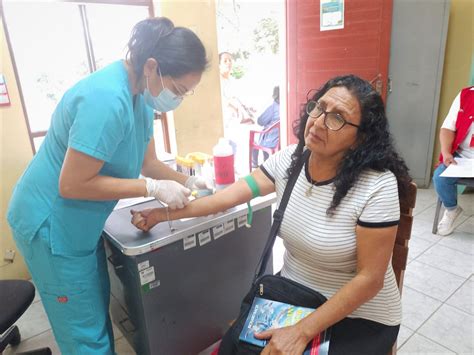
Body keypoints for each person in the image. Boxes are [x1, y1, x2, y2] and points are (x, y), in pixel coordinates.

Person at [131, 75, 412, 354]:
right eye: (319, 107)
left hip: (358, 317)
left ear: (360, 138)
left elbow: (370, 280)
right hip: (293, 297)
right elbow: (222, 200)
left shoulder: (377, 185)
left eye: (337, 117)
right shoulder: (290, 160)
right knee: (234, 348)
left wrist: (300, 332)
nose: (318, 121)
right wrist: (163, 214)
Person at [7, 17, 209, 354]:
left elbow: (150, 163)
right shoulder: (105, 99)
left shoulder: (142, 95)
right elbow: (72, 183)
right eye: (178, 90)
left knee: (94, 308)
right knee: (84, 334)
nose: (179, 99)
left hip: (79, 225)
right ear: (153, 66)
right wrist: (151, 189)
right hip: (50, 225)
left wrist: (186, 178)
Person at [432, 86, 473, 236]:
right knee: (440, 177)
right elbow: (447, 129)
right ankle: (452, 209)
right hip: (462, 157)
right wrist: (446, 152)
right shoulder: (466, 95)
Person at [251, 86, 280, 168]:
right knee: (263, 137)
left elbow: (260, 121)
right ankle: (266, 163)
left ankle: (254, 163)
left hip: (270, 140)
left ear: (275, 95)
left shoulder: (273, 107)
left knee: (255, 140)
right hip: (279, 139)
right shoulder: (286, 106)